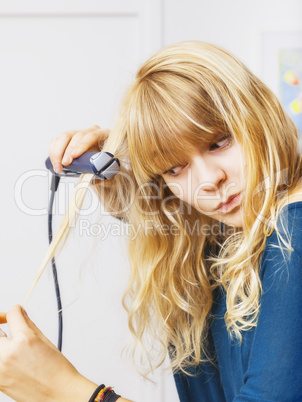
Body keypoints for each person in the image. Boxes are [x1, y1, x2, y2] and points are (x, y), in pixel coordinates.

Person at [0, 40, 302, 401]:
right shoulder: (235, 229)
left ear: (261, 114)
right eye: (174, 168)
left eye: (219, 142)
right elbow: (172, 219)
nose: (208, 181)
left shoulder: (292, 231)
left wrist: (65, 389)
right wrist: (128, 174)